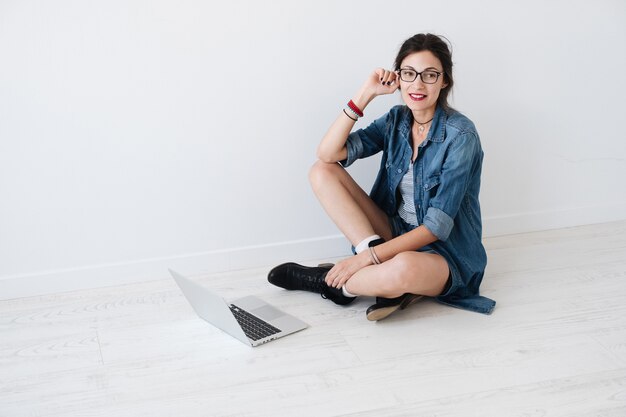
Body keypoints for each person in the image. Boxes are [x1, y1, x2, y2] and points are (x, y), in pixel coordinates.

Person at [268, 33, 495, 320]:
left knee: (403, 270)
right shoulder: (396, 120)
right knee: (322, 171)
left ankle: (327, 283)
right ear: (398, 77)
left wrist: (364, 259)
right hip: (394, 231)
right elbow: (328, 153)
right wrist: (366, 93)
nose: (418, 84)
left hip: (446, 253)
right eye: (409, 73)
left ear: (444, 81)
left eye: (430, 75)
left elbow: (435, 228)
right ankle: (383, 281)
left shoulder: (461, 135)